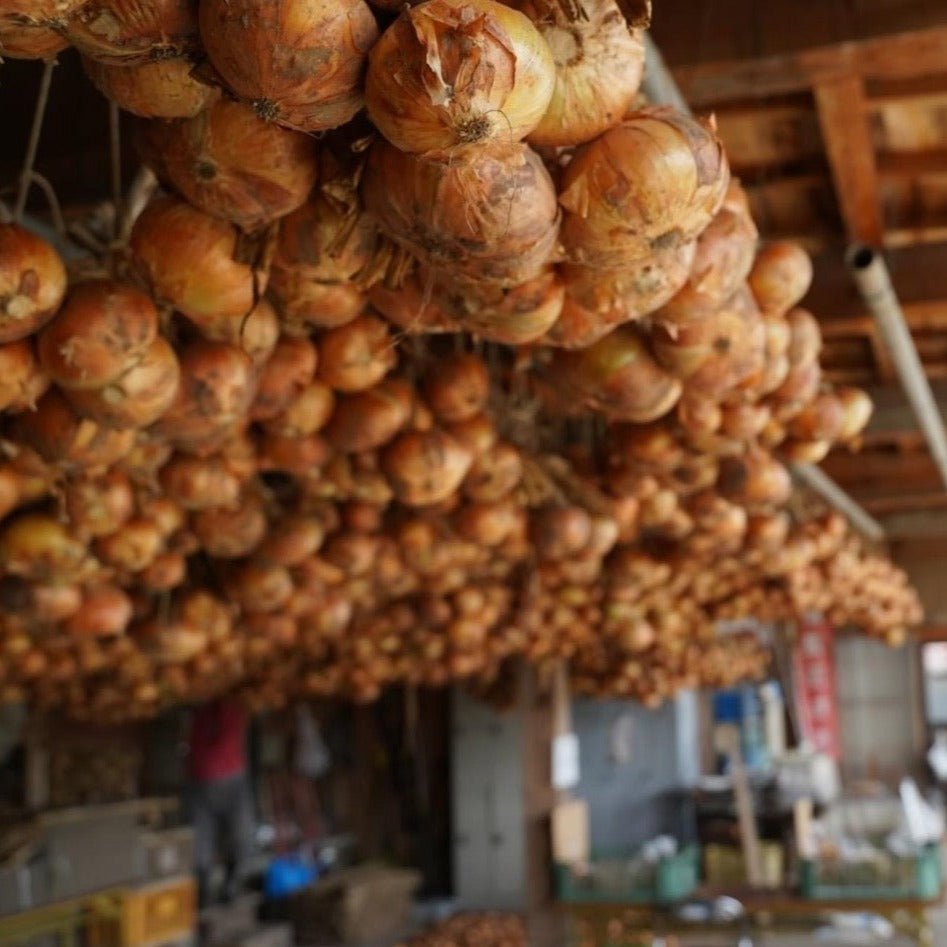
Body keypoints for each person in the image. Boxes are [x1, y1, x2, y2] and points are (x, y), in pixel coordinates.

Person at [187, 698, 256, 907]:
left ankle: (230, 884)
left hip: (229, 778)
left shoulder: (232, 710)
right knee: (203, 839)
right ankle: (205, 890)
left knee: (240, 835)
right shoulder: (200, 713)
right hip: (202, 780)